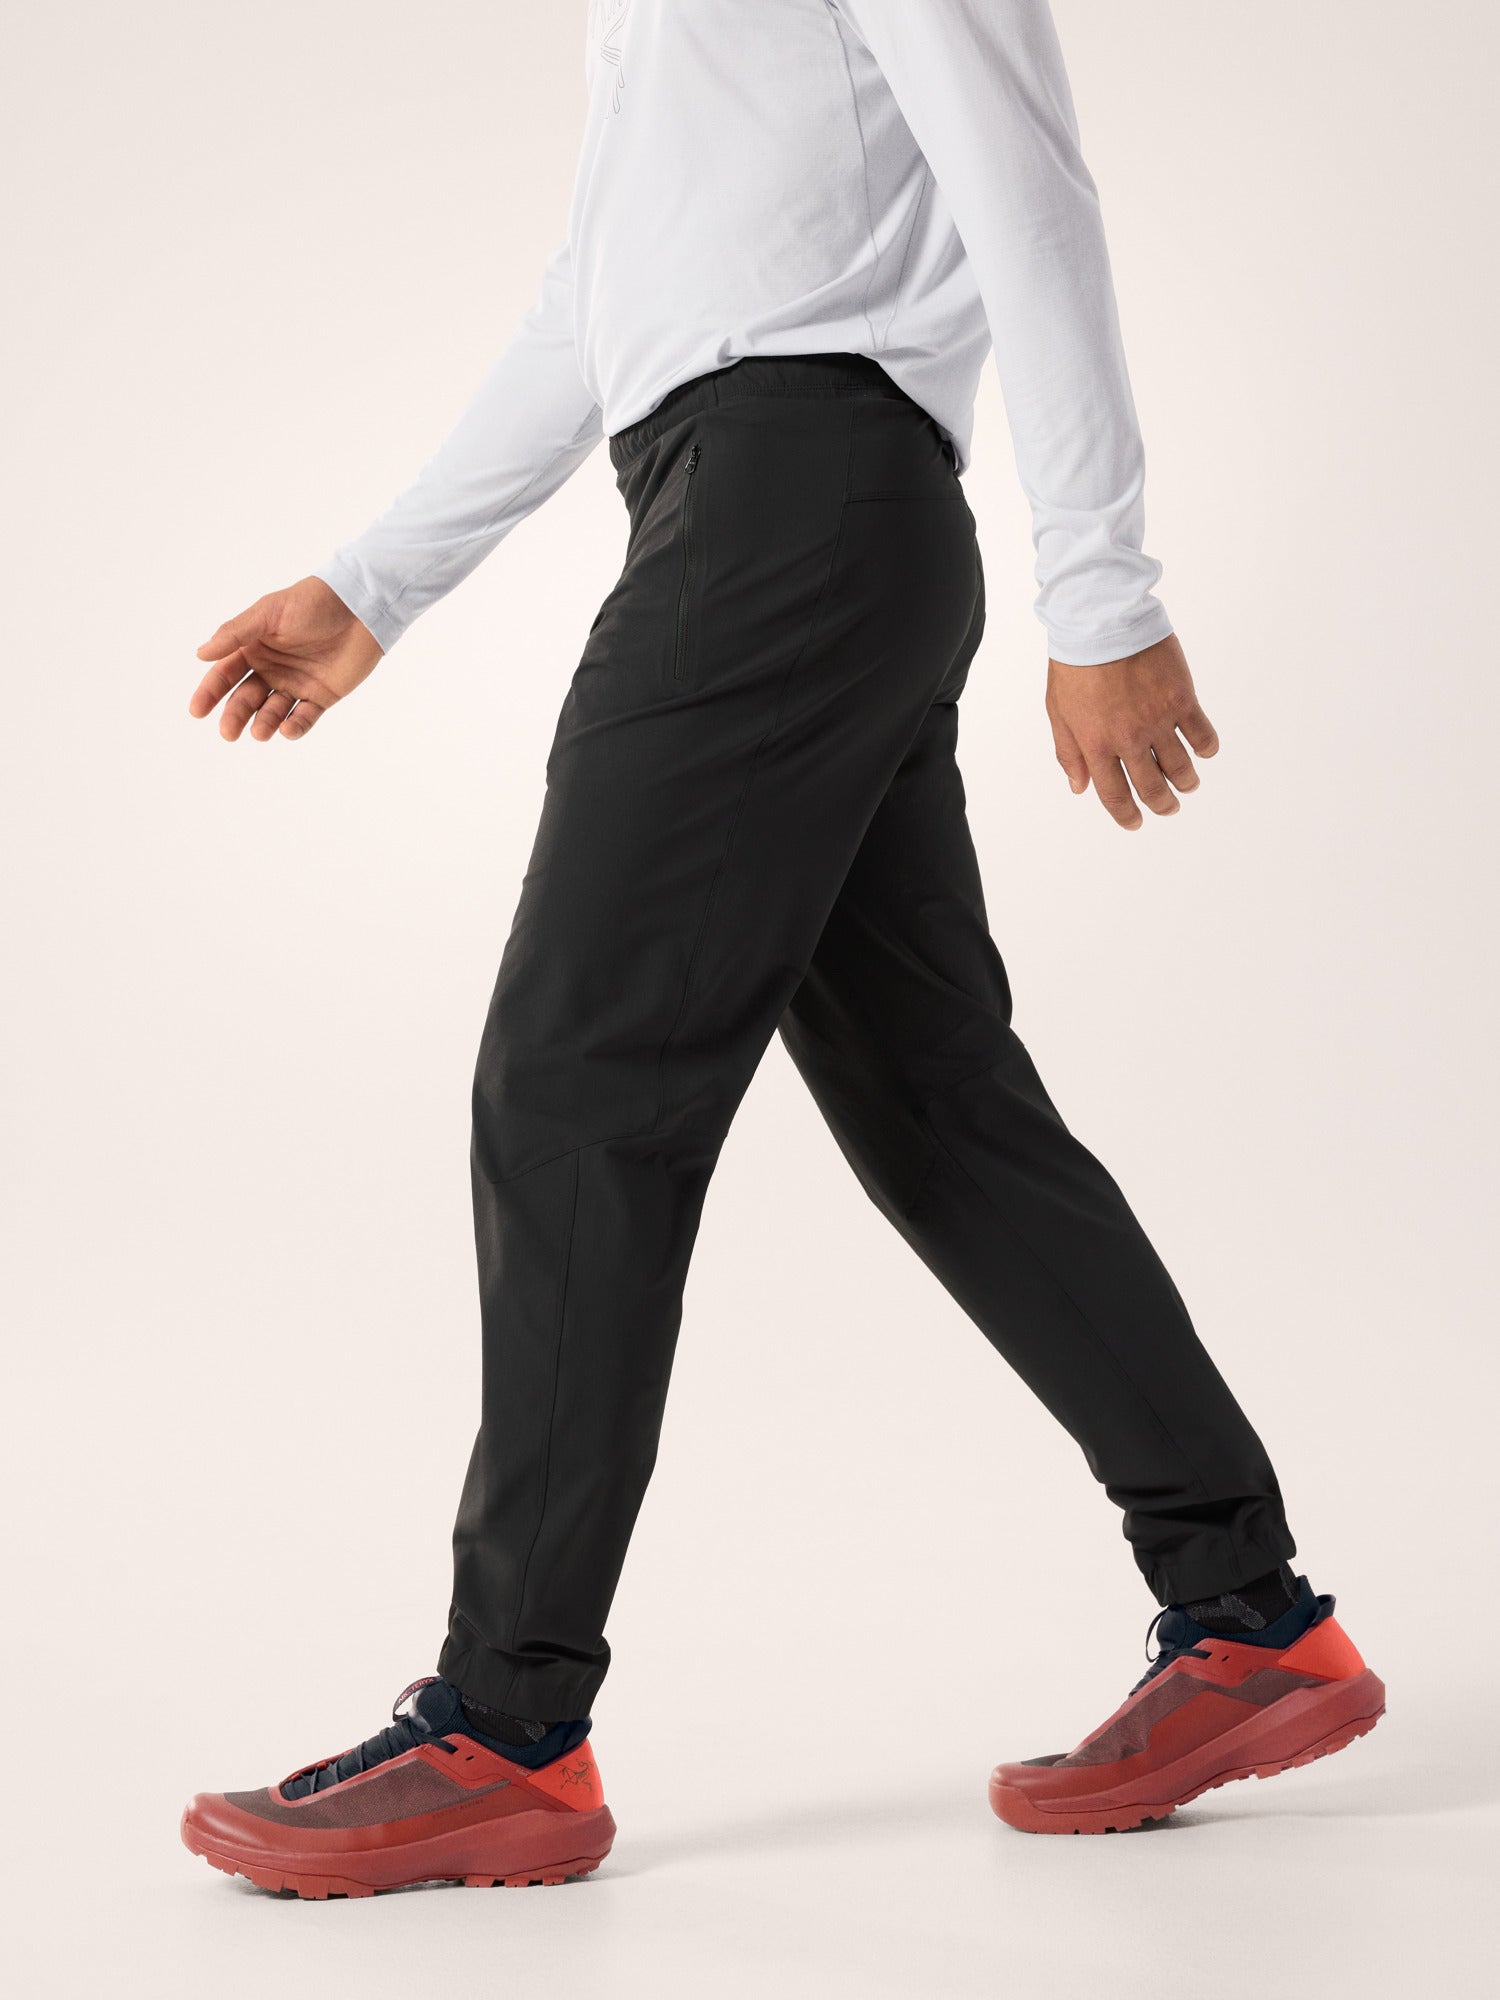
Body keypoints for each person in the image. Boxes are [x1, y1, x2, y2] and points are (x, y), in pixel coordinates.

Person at [180, 1, 1382, 1894]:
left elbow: (1028, 185)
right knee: (938, 1109)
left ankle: (506, 1729)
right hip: (756, 507)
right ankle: (1248, 1615)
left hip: (787, 510)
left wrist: (1103, 583)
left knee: (579, 1085)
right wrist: (376, 582)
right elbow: (601, 294)